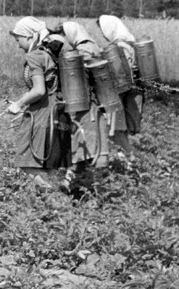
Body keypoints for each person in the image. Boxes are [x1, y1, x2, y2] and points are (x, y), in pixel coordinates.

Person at [47, 20, 108, 190]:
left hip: (87, 105)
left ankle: (75, 185)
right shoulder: (90, 46)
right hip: (92, 104)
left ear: (69, 34)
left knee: (84, 144)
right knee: (86, 145)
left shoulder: (84, 50)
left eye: (64, 37)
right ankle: (79, 184)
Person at [7, 16, 67, 190]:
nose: (18, 44)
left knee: (26, 160)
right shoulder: (48, 54)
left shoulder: (34, 56)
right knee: (48, 164)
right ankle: (60, 204)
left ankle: (53, 198)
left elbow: (39, 90)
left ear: (28, 36)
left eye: (18, 39)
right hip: (56, 110)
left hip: (42, 114)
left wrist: (18, 103)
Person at [97, 14, 142, 155]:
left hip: (120, 96)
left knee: (116, 132)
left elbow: (120, 77)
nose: (103, 34)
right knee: (118, 133)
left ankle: (132, 164)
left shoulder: (120, 47)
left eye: (102, 30)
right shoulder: (129, 44)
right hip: (128, 95)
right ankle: (126, 166)